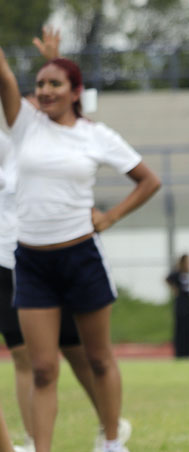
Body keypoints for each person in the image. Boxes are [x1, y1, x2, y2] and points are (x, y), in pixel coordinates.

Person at [0, 48, 160, 452]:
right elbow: (3, 76)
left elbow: (147, 181)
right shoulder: (24, 124)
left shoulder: (95, 135)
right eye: (40, 84)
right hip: (32, 262)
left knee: (99, 359)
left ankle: (110, 442)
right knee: (42, 369)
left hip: (81, 258)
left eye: (55, 84)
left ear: (76, 92)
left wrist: (109, 218)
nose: (45, 90)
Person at [165, 253, 189, 358]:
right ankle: (179, 352)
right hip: (180, 302)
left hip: (188, 301)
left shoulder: (188, 273)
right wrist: (174, 289)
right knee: (180, 327)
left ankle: (188, 352)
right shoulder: (177, 272)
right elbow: (167, 279)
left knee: (188, 327)